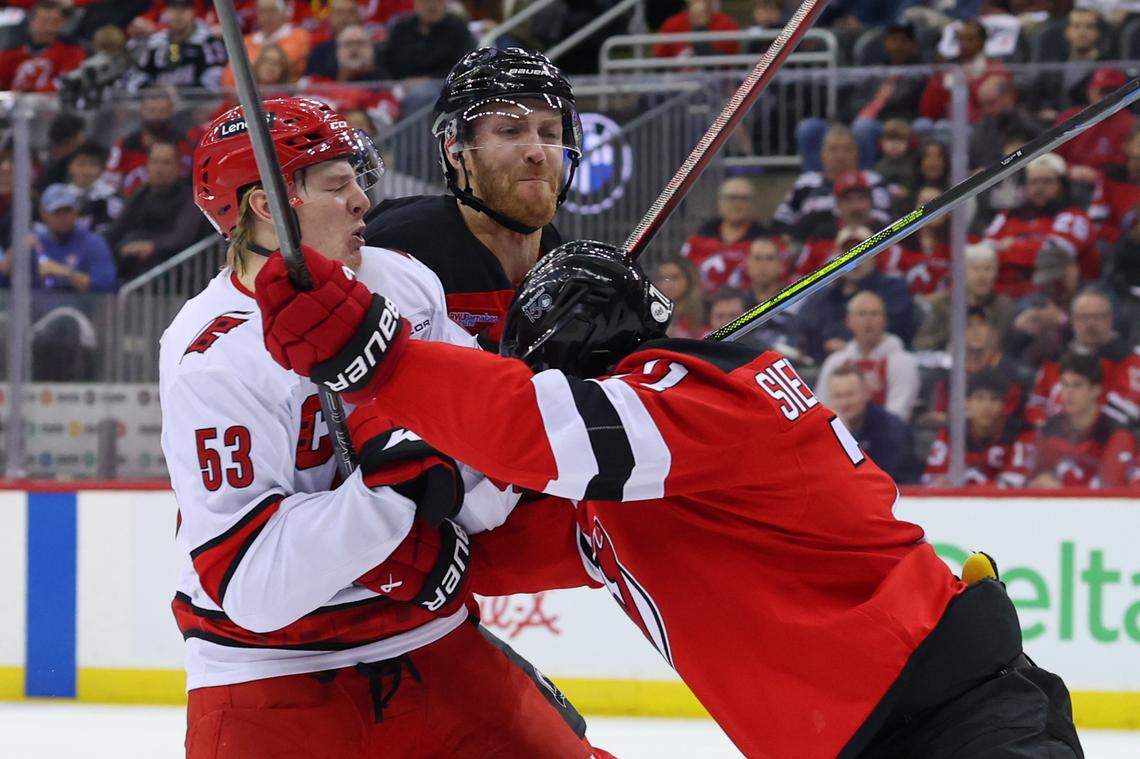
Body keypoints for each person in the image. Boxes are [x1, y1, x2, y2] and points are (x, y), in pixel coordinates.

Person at [254, 237, 1084, 758]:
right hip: (900, 727)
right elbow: (495, 550)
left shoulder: (701, 393)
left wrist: (381, 359)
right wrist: (374, 541)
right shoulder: (640, 486)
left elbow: (541, 431)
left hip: (958, 723)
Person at [168, 96, 608, 759]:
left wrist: (547, 386)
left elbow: (486, 458)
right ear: (268, 206)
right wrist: (394, 498)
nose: (362, 203)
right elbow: (251, 585)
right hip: (271, 679)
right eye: (338, 184)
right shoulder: (212, 355)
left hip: (432, 642)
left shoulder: (398, 281)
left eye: (359, 182)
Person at [364, 47, 581, 342]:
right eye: (510, 131)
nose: (537, 152)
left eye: (550, 134)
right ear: (455, 151)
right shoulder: (394, 248)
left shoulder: (571, 273)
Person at [1023, 288, 1140, 428]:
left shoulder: (1130, 361)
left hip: (1102, 442)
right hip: (1052, 442)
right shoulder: (1055, 359)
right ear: (1072, 320)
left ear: (1110, 318)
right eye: (1084, 317)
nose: (1091, 323)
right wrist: (1044, 427)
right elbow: (1036, 405)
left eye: (1098, 317)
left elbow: (1128, 412)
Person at [983, 152, 1095, 297]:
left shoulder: (1075, 217)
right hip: (1004, 295)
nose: (1039, 188)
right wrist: (1034, 246)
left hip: (1054, 297)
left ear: (1062, 185)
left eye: (1047, 181)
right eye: (1034, 182)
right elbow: (985, 252)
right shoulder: (1007, 216)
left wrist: (1010, 247)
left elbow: (1052, 255)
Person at [1027, 353, 1138, 489]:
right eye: (1065, 385)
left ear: (1095, 390)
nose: (1068, 393)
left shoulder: (1116, 434)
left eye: (1077, 385)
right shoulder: (1050, 430)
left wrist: (1062, 490)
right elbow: (1032, 479)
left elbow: (1111, 492)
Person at [106, 140, 209, 281]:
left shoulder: (190, 198)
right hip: (130, 261)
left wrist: (152, 246)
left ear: (179, 167)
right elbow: (119, 226)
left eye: (166, 163)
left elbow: (182, 236)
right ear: (147, 166)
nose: (159, 169)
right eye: (155, 162)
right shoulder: (141, 193)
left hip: (171, 270)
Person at [815, 290, 921, 422]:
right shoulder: (835, 361)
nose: (868, 321)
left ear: (884, 320)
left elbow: (898, 414)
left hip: (886, 436)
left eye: (874, 314)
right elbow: (821, 410)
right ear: (848, 321)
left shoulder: (903, 362)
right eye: (861, 314)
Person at [774, 124, 891, 238]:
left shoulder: (872, 181)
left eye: (847, 149)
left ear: (856, 153)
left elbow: (883, 219)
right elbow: (781, 220)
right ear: (822, 154)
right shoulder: (806, 182)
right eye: (833, 149)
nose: (840, 156)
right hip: (813, 246)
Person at [923, 369, 1032, 488]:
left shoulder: (1019, 433)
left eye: (994, 399)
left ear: (1003, 405)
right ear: (967, 403)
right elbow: (933, 479)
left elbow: (1015, 482)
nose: (986, 407)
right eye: (980, 398)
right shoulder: (951, 433)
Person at [914, 241, 1015, 351]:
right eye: (975, 269)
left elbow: (1008, 348)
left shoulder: (1003, 306)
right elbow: (920, 344)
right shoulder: (944, 304)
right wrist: (949, 336)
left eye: (988, 269)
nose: (982, 276)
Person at [828, 364, 919, 484]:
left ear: (866, 394)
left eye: (850, 395)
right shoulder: (826, 430)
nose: (844, 403)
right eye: (838, 396)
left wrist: (846, 437)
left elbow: (881, 478)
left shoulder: (891, 429)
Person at [679, 177, 772, 294]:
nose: (738, 204)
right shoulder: (697, 240)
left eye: (744, 199)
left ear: (753, 204)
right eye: (732, 198)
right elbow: (681, 275)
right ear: (720, 202)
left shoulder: (768, 242)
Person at [124, 0, 227, 91]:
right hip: (160, 105)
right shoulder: (155, 43)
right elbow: (137, 77)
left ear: (193, 12)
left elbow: (216, 79)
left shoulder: (208, 41)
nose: (178, 15)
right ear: (165, 13)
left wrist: (182, 94)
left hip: (199, 104)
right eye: (173, 9)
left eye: (184, 9)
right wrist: (156, 92)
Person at [0, 0, 86, 93]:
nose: (49, 28)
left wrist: (33, 93)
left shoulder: (71, 51)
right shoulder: (13, 51)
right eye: (44, 22)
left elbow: (67, 82)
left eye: (55, 22)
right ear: (32, 22)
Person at [653, 0, 740, 59]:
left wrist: (699, 27)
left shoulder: (727, 24)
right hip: (677, 83)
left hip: (717, 84)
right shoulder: (672, 24)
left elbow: (719, 64)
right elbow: (659, 60)